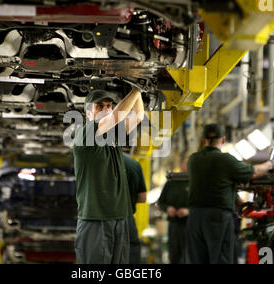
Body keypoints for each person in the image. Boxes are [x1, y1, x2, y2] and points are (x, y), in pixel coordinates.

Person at [73, 87, 144, 264]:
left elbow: (138, 116)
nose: (106, 109)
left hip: (119, 219)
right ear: (89, 113)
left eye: (109, 105)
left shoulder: (112, 137)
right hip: (95, 219)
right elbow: (116, 117)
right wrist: (136, 89)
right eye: (100, 106)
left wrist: (140, 93)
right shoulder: (85, 134)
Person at [186, 124, 274, 264]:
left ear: (203, 140)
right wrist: (269, 165)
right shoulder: (225, 159)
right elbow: (254, 172)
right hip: (217, 217)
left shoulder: (193, 160)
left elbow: (217, 183)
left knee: (196, 260)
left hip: (195, 217)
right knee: (220, 258)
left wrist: (238, 200)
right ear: (222, 139)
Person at [158, 166, 189, 264]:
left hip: (191, 225)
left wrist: (189, 211)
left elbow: (203, 204)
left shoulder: (198, 182)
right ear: (181, 165)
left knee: (189, 255)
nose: (187, 167)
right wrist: (167, 208)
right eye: (185, 163)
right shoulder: (172, 182)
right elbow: (160, 202)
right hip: (174, 224)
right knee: (174, 255)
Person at [122, 153, 147, 264]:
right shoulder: (134, 164)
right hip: (127, 218)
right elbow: (142, 198)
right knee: (131, 250)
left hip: (101, 218)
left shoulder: (98, 162)